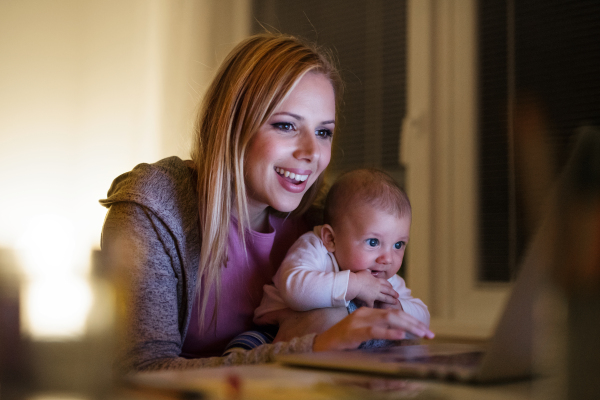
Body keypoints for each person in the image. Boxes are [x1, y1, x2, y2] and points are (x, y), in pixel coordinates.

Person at [100, 33, 433, 372]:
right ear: (232, 124)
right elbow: (141, 374)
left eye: (323, 132)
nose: (311, 153)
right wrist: (312, 346)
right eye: (286, 126)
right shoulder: (154, 209)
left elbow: (369, 331)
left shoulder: (319, 223)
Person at [254, 169, 429, 330]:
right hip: (271, 330)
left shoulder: (385, 279)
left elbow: (423, 318)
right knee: (246, 345)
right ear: (331, 238)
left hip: (323, 344)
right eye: (373, 242)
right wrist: (355, 284)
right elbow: (295, 290)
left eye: (398, 245)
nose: (388, 258)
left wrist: (399, 308)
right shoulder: (316, 248)